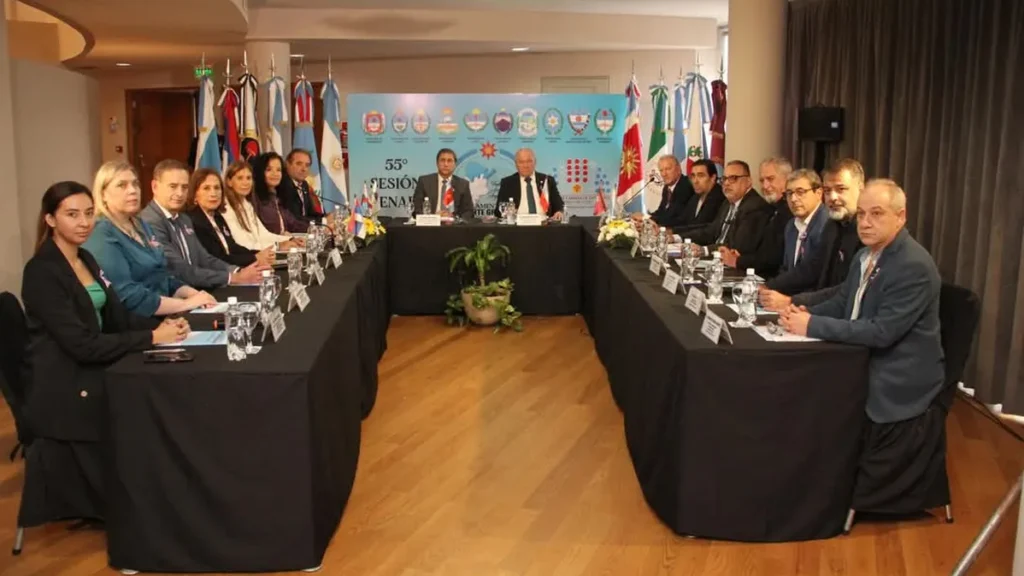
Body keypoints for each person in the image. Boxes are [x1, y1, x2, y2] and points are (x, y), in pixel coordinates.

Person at [21, 181, 190, 523]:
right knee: (150, 395)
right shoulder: (41, 272)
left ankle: (169, 491)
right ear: (50, 220)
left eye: (88, 214)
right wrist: (151, 337)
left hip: (94, 361)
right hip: (66, 381)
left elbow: (117, 317)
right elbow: (82, 345)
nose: (84, 222)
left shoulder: (85, 257)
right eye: (72, 215)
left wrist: (163, 327)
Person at [779, 179, 944, 511]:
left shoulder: (912, 265)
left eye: (877, 214)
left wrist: (812, 325)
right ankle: (803, 480)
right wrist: (805, 313)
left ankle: (824, 488)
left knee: (813, 387)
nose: (865, 223)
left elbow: (882, 332)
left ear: (901, 216)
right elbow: (844, 302)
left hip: (899, 373)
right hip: (859, 354)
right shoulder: (865, 255)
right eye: (862, 214)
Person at [83, 161, 216, 316]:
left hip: (166, 313)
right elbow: (127, 295)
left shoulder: (141, 224)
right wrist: (185, 304)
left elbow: (162, 277)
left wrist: (194, 294)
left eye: (135, 184)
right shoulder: (100, 233)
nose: (132, 190)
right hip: (135, 323)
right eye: (122, 185)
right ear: (103, 194)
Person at [140, 159, 265, 290]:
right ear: (154, 187)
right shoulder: (149, 221)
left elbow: (204, 258)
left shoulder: (183, 219)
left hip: (196, 290)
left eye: (184, 187)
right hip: (174, 295)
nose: (180, 193)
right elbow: (179, 269)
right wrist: (232, 278)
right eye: (173, 186)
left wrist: (238, 271)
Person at [761, 159, 866, 309]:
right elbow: (811, 268)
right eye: (828, 191)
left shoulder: (866, 231)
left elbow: (849, 289)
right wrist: (768, 287)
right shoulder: (833, 225)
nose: (832, 197)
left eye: (841, 189)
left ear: (861, 189)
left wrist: (792, 301)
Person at [677, 160, 771, 257]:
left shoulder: (755, 207)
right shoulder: (727, 202)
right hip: (716, 258)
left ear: (748, 182)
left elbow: (737, 246)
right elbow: (711, 231)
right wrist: (677, 237)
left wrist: (704, 250)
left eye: (733, 178)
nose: (726, 183)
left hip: (733, 263)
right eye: (724, 179)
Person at [186, 168, 274, 268]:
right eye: (206, 188)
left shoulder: (217, 217)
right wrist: (254, 258)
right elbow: (217, 258)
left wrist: (258, 253)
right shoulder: (193, 221)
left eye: (217, 188)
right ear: (195, 194)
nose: (213, 193)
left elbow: (232, 247)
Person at [721, 157, 794, 276]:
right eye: (762, 180)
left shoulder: (789, 211)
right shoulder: (772, 208)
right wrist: (740, 257)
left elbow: (773, 259)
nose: (765, 186)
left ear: (788, 179)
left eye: (770, 179)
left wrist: (738, 261)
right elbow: (762, 251)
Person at [762, 168, 828, 293]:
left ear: (818, 193)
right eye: (789, 193)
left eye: (800, 192)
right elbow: (786, 269)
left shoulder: (826, 225)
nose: (793, 199)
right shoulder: (791, 226)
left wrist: (771, 287)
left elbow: (811, 273)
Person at [220, 160, 304, 251]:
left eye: (248, 178)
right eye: (240, 178)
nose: (245, 182)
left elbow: (263, 234)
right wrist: (278, 246)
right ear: (229, 182)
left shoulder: (246, 204)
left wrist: (290, 239)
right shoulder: (226, 208)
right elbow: (243, 244)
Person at [494, 148, 565, 220]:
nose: (525, 166)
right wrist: (507, 212)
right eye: (521, 162)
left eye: (529, 161)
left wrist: (559, 212)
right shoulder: (507, 183)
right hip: (517, 224)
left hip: (544, 223)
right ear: (516, 164)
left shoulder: (547, 180)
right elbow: (498, 212)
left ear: (535, 162)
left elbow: (559, 205)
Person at [251, 152, 310, 234]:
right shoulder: (254, 197)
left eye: (278, 170)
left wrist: (317, 229)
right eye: (269, 169)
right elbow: (258, 232)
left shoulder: (277, 196)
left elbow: (293, 223)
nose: (275, 174)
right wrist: (282, 239)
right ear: (260, 172)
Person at [412, 148, 474, 220]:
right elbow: (417, 208)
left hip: (454, 225)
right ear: (437, 163)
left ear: (455, 164)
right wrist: (434, 217)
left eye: (449, 161)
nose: (446, 164)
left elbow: (469, 211)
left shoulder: (463, 184)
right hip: (430, 224)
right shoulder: (424, 181)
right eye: (442, 160)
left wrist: (455, 218)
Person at [638, 155, 694, 228]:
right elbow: (661, 211)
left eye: (668, 169)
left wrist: (646, 218)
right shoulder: (667, 188)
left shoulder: (686, 185)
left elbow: (673, 216)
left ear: (678, 169)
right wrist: (644, 217)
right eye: (661, 170)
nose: (664, 174)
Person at [277, 149, 325, 223]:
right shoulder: (283, 184)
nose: (304, 169)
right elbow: (294, 218)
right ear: (288, 164)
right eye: (299, 164)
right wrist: (323, 221)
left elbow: (310, 213)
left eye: (307, 165)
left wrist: (326, 217)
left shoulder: (304, 184)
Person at [678, 159, 725, 227]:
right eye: (693, 176)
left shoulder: (720, 198)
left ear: (713, 178)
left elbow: (706, 228)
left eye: (700, 176)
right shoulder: (695, 197)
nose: (695, 181)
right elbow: (683, 221)